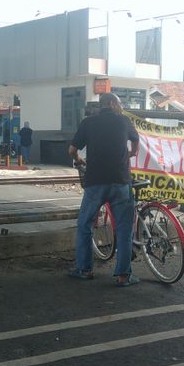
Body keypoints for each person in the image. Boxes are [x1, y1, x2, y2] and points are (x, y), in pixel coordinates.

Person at [68, 92, 140, 287]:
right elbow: (136, 141)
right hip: (120, 181)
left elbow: (72, 151)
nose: (120, 106)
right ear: (110, 103)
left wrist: (79, 160)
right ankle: (123, 275)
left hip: (95, 182)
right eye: (118, 102)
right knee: (125, 228)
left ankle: (84, 269)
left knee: (85, 225)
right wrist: (132, 153)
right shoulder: (123, 121)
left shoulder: (88, 123)